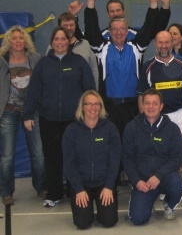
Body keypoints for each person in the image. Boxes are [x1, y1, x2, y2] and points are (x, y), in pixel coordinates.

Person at [23, 26, 95, 207]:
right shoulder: (43, 64)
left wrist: (90, 113)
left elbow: (89, 90)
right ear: (52, 42)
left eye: (63, 39)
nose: (60, 42)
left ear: (68, 41)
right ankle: (53, 194)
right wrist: (28, 114)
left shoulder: (79, 62)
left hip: (75, 120)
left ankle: (75, 192)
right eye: (57, 39)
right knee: (52, 157)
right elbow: (33, 91)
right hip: (49, 119)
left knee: (75, 157)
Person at [84, 0, 167, 136]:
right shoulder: (101, 48)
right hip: (109, 106)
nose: (118, 32)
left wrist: (154, 4)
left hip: (133, 105)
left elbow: (148, 27)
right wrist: (90, 3)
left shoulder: (137, 47)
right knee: (112, 142)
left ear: (127, 31)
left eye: (122, 29)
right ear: (109, 32)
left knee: (132, 142)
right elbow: (91, 29)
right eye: (114, 29)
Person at [122, 89, 182, 225]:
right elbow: (127, 158)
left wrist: (158, 176)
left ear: (161, 106)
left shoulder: (172, 129)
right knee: (137, 219)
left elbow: (178, 157)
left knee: (178, 183)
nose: (151, 107)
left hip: (164, 177)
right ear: (142, 105)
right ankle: (147, 201)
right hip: (143, 181)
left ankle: (169, 203)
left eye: (155, 103)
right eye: (147, 103)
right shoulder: (131, 127)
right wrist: (136, 181)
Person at [62, 90, 121, 229]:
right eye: (89, 104)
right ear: (82, 106)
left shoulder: (110, 128)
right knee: (82, 224)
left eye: (96, 104)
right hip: (82, 184)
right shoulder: (71, 130)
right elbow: (69, 164)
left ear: (101, 107)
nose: (93, 108)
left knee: (109, 221)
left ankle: (103, 208)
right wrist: (78, 189)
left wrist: (108, 186)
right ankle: (86, 209)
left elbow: (115, 160)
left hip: (104, 183)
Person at [0, 25, 45, 205]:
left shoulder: (35, 59)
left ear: (25, 40)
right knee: (7, 156)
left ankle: (41, 187)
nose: (18, 41)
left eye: (21, 38)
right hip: (8, 112)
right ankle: (6, 192)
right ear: (9, 41)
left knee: (39, 153)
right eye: (15, 38)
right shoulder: (2, 60)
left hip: (32, 111)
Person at [137, 30, 182, 146]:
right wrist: (142, 117)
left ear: (172, 43)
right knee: (160, 149)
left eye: (167, 42)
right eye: (160, 43)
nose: (164, 46)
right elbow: (141, 94)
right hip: (157, 116)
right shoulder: (148, 66)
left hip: (180, 114)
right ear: (155, 43)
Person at [68, 0, 171, 42]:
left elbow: (156, 28)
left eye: (118, 10)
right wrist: (73, 16)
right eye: (112, 11)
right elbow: (80, 40)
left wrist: (165, 5)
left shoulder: (136, 34)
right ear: (108, 14)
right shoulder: (100, 36)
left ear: (124, 12)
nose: (116, 14)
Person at [47, 12, 99, 89]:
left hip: (82, 94)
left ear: (75, 26)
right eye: (65, 25)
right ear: (59, 27)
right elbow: (46, 73)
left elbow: (94, 71)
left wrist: (94, 93)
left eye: (71, 25)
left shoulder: (85, 44)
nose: (68, 28)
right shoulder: (52, 48)